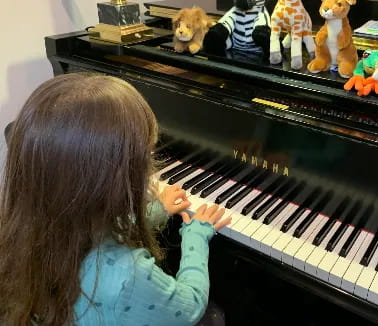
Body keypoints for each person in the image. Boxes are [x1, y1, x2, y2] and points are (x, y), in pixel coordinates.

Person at [0, 73, 231, 326]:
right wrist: (196, 235)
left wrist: (155, 211)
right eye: (146, 158)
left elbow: (99, 226)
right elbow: (190, 307)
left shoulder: (25, 230)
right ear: (109, 179)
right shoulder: (129, 275)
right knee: (213, 318)